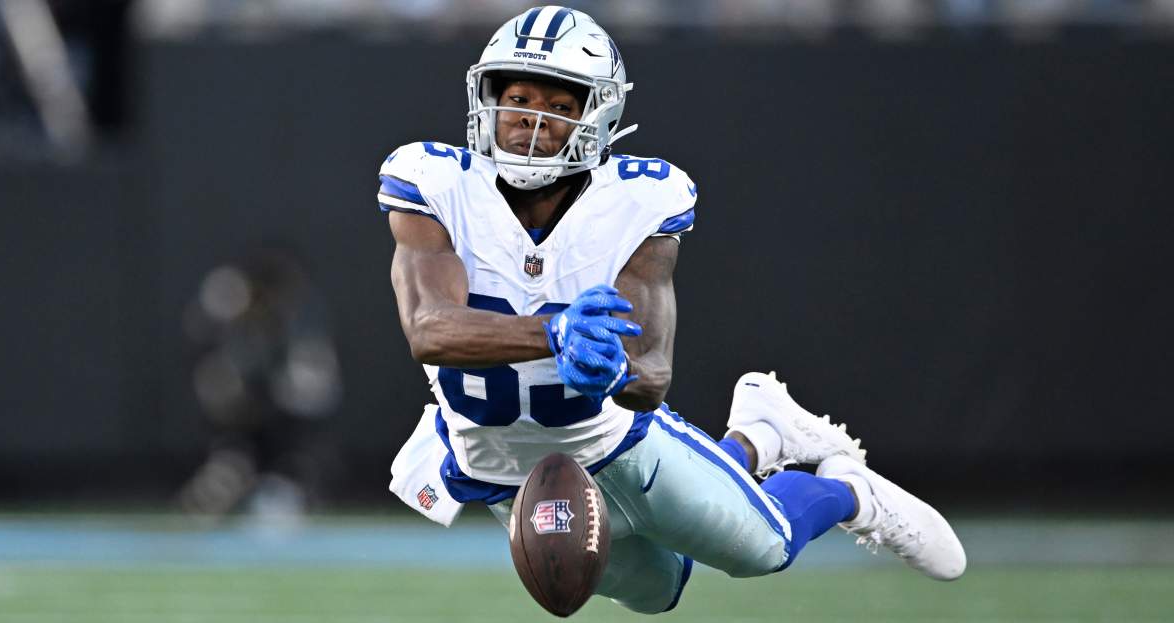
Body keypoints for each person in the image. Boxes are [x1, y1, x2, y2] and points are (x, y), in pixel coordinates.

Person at [382, 6, 966, 614]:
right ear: (488, 101)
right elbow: (429, 330)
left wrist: (614, 368)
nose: (532, 120)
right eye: (519, 99)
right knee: (659, 593)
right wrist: (555, 333)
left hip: (623, 450)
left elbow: (652, 375)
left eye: (558, 106)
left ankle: (850, 492)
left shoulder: (640, 199)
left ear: (597, 115)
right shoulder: (435, 185)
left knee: (765, 548)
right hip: (507, 477)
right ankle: (757, 437)